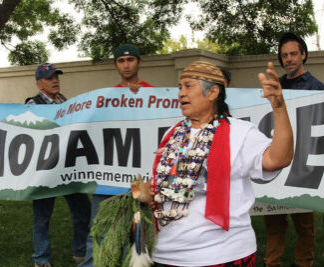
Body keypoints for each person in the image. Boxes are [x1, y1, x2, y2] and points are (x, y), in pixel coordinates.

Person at [151, 61, 293, 266]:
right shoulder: (171, 134)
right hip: (166, 254)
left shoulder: (239, 131)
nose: (181, 93)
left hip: (221, 254)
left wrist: (278, 106)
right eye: (180, 87)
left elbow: (279, 159)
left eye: (188, 86)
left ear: (213, 93)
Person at [78, 44, 154, 267]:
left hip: (138, 180)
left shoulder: (155, 97)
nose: (126, 64)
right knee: (99, 232)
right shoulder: (106, 99)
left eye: (130, 59)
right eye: (121, 61)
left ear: (139, 62)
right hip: (108, 179)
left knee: (135, 233)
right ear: (116, 65)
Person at [263, 32, 324, 267]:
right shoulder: (275, 86)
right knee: (274, 221)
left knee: (305, 225)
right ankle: (272, 263)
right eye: (284, 55)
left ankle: (303, 263)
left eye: (293, 54)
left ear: (303, 55)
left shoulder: (317, 89)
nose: (288, 59)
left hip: (303, 167)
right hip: (277, 164)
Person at [26, 63, 91, 267]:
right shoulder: (32, 104)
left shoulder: (67, 102)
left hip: (70, 168)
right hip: (46, 170)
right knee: (42, 215)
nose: (55, 80)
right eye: (49, 78)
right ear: (39, 83)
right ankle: (41, 258)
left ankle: (80, 251)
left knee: (83, 210)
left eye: (56, 76)